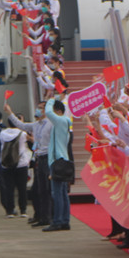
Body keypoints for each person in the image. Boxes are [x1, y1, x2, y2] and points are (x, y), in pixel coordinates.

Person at [5, 101, 52, 227]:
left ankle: (48, 216)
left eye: (41, 108)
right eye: (38, 108)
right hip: (38, 158)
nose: (38, 110)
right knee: (38, 190)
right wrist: (10, 113)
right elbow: (21, 125)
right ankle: (42, 216)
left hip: (47, 157)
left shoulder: (51, 124)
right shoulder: (36, 124)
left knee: (46, 189)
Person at [43, 93, 72, 232]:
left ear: (58, 111)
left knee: (57, 194)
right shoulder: (64, 123)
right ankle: (65, 221)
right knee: (62, 194)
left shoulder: (60, 121)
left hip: (57, 161)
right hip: (62, 159)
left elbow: (48, 112)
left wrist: (52, 98)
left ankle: (58, 221)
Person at [0, 116, 32, 218]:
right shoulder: (22, 134)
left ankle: (10, 211)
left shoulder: (2, 133)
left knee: (9, 188)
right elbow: (32, 141)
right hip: (21, 163)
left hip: (6, 163)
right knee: (22, 188)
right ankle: (23, 210)